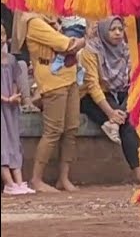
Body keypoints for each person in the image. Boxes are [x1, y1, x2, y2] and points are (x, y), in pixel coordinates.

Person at [13, 12, 85, 192]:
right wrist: (81, 41)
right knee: (53, 130)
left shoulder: (53, 20)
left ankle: (63, 178)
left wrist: (79, 41)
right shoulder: (33, 22)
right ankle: (36, 179)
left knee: (71, 128)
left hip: (70, 75)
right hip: (52, 80)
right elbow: (66, 44)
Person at [79, 17, 140, 185]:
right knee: (126, 124)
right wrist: (110, 112)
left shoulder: (123, 49)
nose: (118, 33)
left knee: (130, 108)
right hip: (89, 97)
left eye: (120, 29)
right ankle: (138, 173)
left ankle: (114, 123)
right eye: (113, 29)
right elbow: (92, 85)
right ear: (103, 31)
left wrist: (120, 111)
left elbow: (130, 80)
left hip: (116, 93)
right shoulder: (91, 50)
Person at [2, 23, 34, 195]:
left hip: (11, 107)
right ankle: (9, 183)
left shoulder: (11, 60)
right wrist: (6, 98)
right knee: (3, 143)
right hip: (3, 105)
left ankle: (19, 182)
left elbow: (15, 80)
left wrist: (14, 96)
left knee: (14, 141)